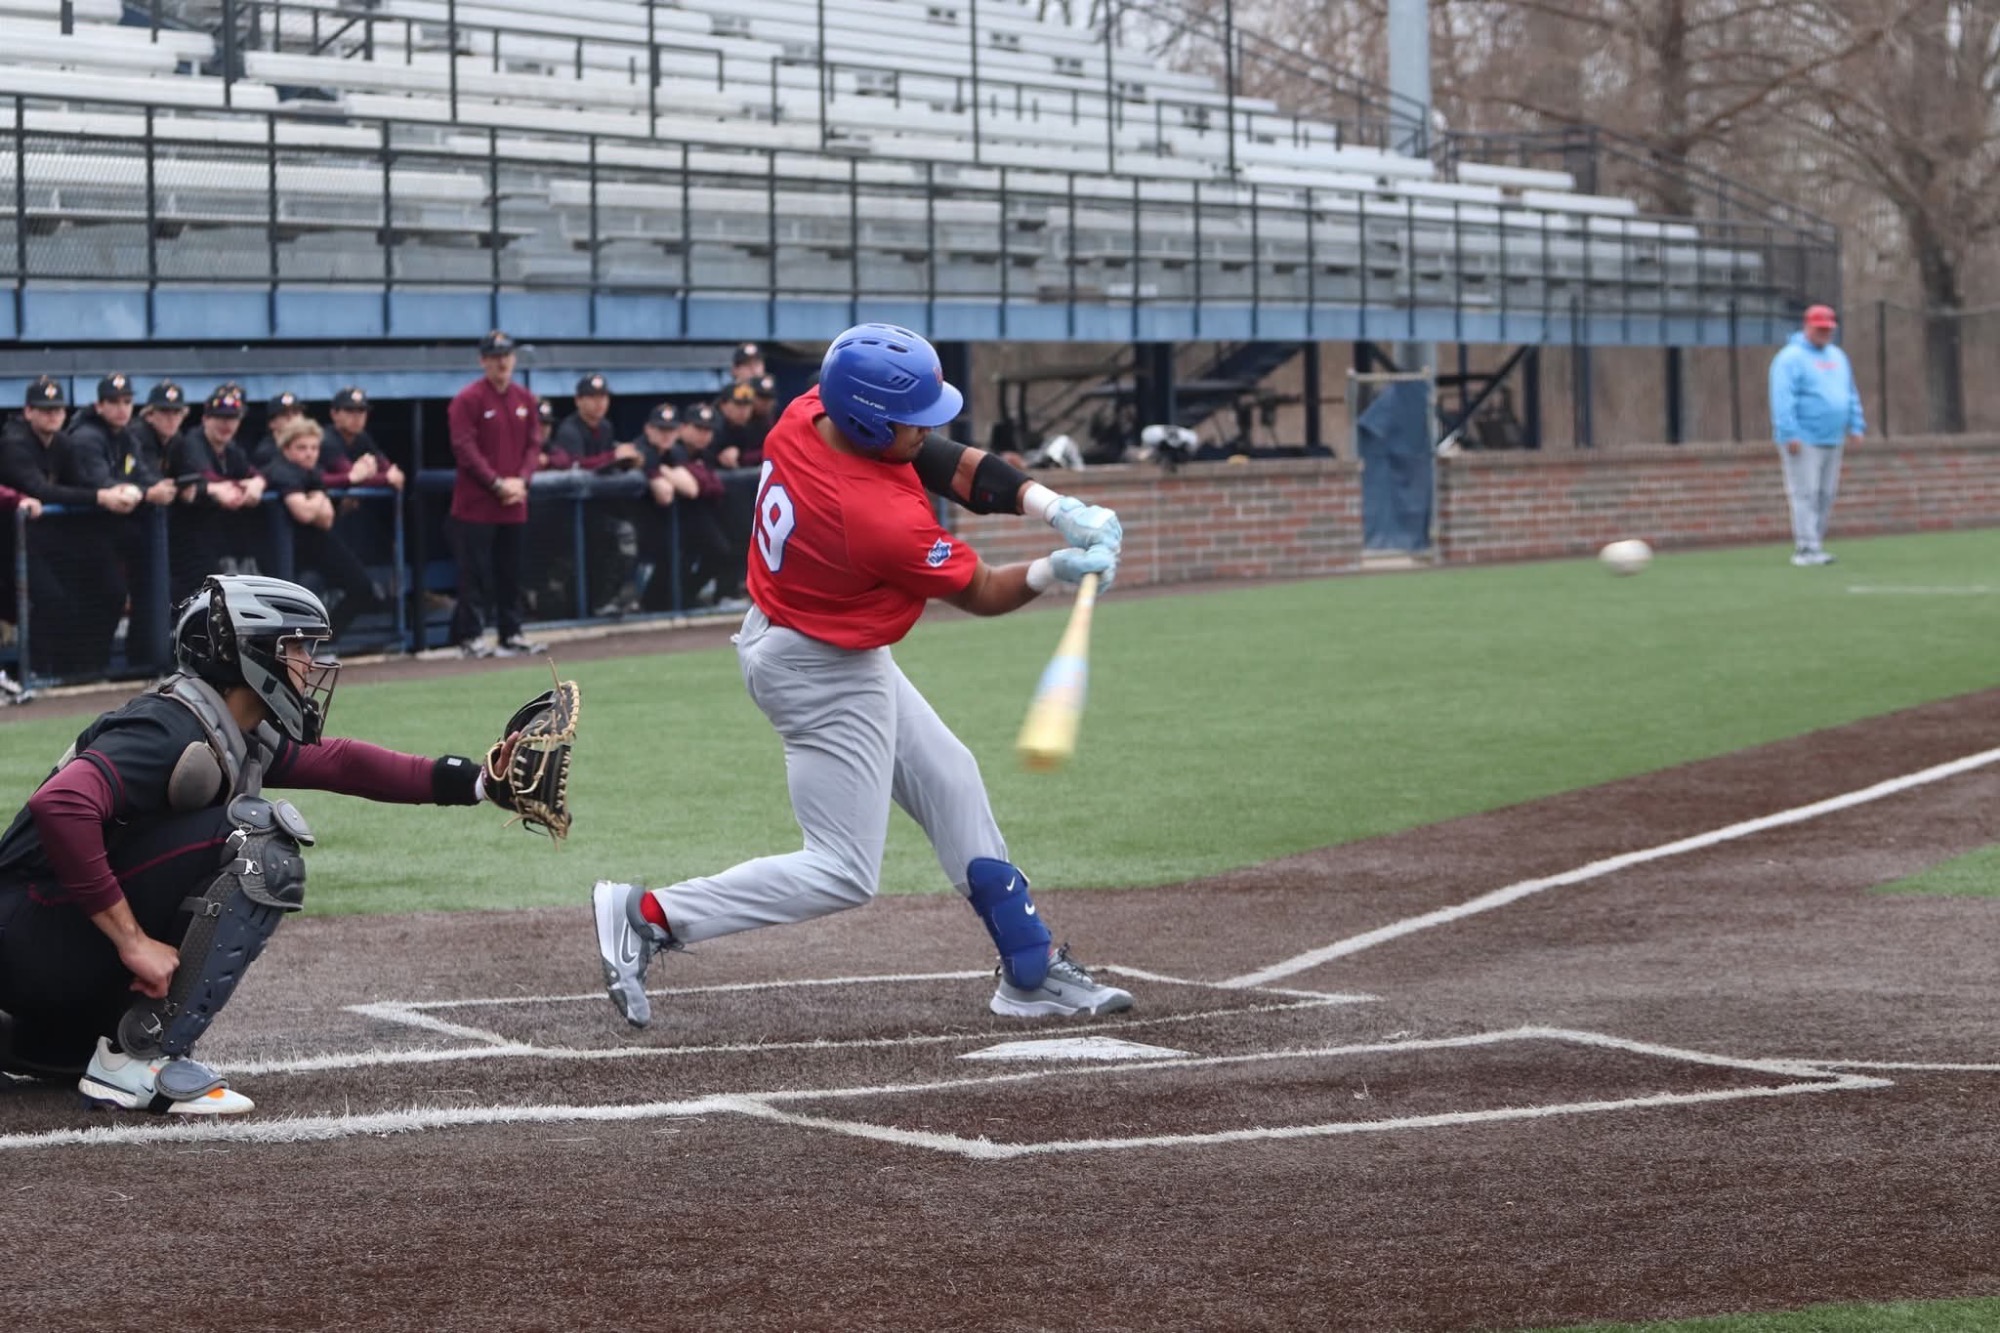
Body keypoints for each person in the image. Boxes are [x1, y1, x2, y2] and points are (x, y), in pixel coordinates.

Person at [590, 323, 1128, 1029]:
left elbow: (941, 458)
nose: (930, 428)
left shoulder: (807, 414)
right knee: (842, 869)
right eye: (912, 418)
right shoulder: (873, 518)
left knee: (950, 776)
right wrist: (1054, 569)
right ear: (871, 421)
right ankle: (648, 914)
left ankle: (1029, 968)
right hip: (822, 669)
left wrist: (1051, 506)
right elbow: (986, 591)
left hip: (809, 638)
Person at [0, 574, 526, 1115]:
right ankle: (138, 1058)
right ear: (246, 653)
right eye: (294, 646)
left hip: (42, 940)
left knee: (243, 834)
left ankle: (51, 1038)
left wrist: (480, 783)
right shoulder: (167, 726)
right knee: (260, 845)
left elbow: (342, 761)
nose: (309, 662)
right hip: (26, 934)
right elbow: (60, 805)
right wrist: (132, 940)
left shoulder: (229, 727)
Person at [0, 377, 141, 678]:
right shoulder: (14, 442)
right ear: (28, 411)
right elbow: (39, 490)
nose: (51, 415)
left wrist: (116, 491)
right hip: (13, 545)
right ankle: (36, 676)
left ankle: (87, 669)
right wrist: (101, 497)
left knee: (110, 590)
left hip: (54, 542)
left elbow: (81, 481)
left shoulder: (62, 442)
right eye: (43, 409)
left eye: (56, 409)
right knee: (49, 601)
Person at [445, 330, 543, 658]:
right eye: (494, 356)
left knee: (510, 571)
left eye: (506, 355)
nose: (501, 362)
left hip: (514, 502)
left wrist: (523, 480)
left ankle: (511, 632)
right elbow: (464, 447)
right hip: (477, 504)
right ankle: (471, 636)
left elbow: (534, 444)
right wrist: (496, 482)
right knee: (474, 573)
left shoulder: (525, 399)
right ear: (483, 360)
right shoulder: (467, 399)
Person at [260, 417, 390, 641]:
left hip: (313, 543)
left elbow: (326, 519)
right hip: (276, 548)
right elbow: (306, 513)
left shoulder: (314, 472)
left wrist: (316, 495)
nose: (309, 453)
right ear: (286, 449)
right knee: (288, 605)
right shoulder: (280, 469)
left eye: (314, 448)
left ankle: (321, 642)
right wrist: (319, 496)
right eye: (302, 448)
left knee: (361, 588)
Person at [1770, 303, 1865, 567]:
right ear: (1807, 326)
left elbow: (1849, 393)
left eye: (1828, 329)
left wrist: (1856, 425)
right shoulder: (1790, 358)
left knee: (1825, 494)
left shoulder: (1837, 356)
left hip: (1832, 437)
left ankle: (1816, 544)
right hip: (1803, 438)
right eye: (1820, 328)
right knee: (1805, 493)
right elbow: (1782, 397)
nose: (1824, 333)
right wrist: (1789, 432)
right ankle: (1805, 547)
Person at [166, 385, 267, 600]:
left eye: (232, 418)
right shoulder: (192, 442)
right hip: (180, 537)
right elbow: (206, 477)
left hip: (210, 537)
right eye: (220, 418)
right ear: (205, 419)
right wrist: (239, 486)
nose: (226, 424)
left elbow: (253, 473)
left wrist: (257, 483)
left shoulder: (231, 449)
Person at [324, 386, 405, 492]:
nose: (356, 416)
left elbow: (389, 468)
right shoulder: (326, 438)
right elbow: (353, 477)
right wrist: (387, 478)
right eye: (349, 410)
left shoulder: (362, 437)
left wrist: (395, 475)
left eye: (361, 411)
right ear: (334, 414)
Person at [715, 380, 769, 470]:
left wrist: (741, 456)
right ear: (723, 405)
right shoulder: (712, 428)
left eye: (748, 405)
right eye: (738, 404)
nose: (744, 410)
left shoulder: (757, 425)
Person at [249, 391, 305, 468]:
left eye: (296, 413)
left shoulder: (312, 446)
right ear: (271, 423)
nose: (292, 419)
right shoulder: (266, 453)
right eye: (285, 415)